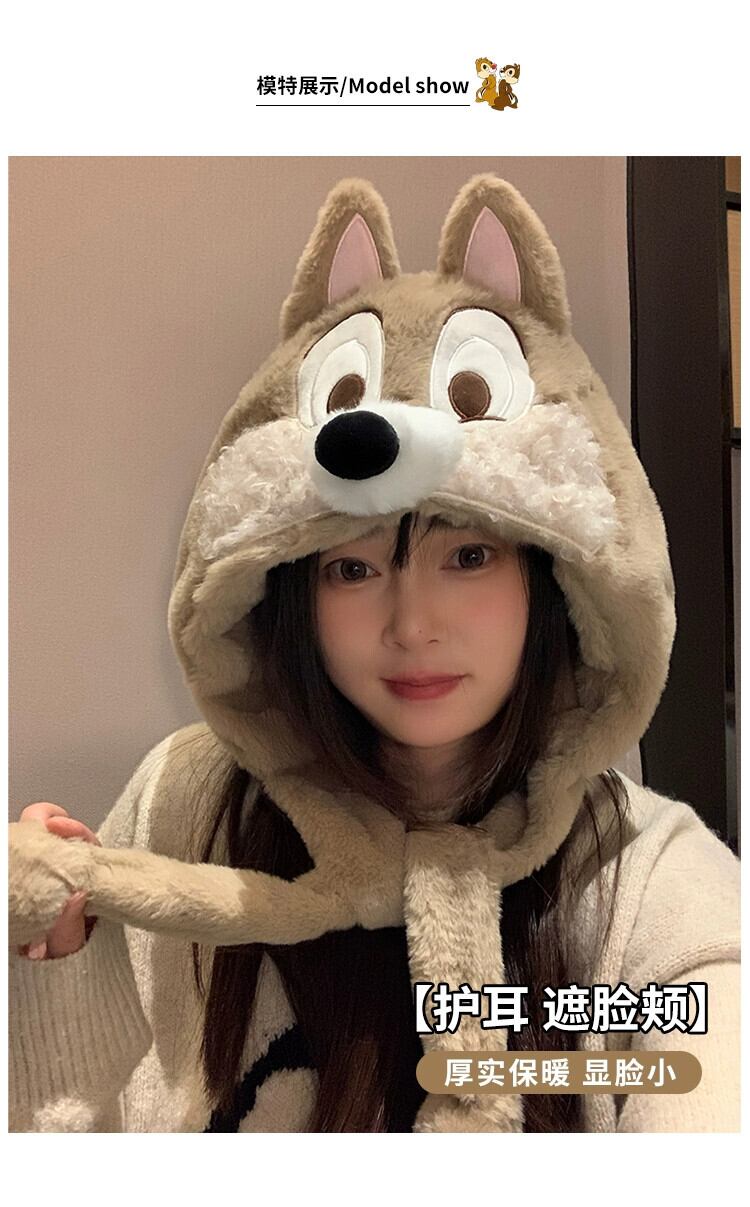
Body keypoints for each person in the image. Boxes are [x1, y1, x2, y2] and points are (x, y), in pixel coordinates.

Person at [9, 174, 740, 1133]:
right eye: (352, 569)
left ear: (556, 578)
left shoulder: (645, 875)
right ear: (292, 592)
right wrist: (54, 961)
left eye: (468, 555)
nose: (411, 625)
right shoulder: (188, 807)